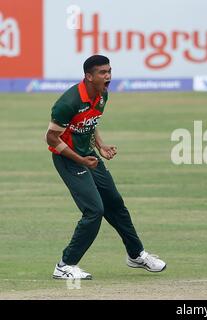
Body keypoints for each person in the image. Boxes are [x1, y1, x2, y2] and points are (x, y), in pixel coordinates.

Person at [45, 55, 166, 280]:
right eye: (102, 72)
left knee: (115, 204)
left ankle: (136, 255)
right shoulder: (68, 102)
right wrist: (81, 160)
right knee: (94, 211)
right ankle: (65, 265)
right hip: (68, 159)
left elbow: (90, 123)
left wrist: (100, 145)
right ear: (89, 76)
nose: (108, 76)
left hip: (88, 155)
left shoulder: (102, 95)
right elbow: (51, 138)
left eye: (109, 71)